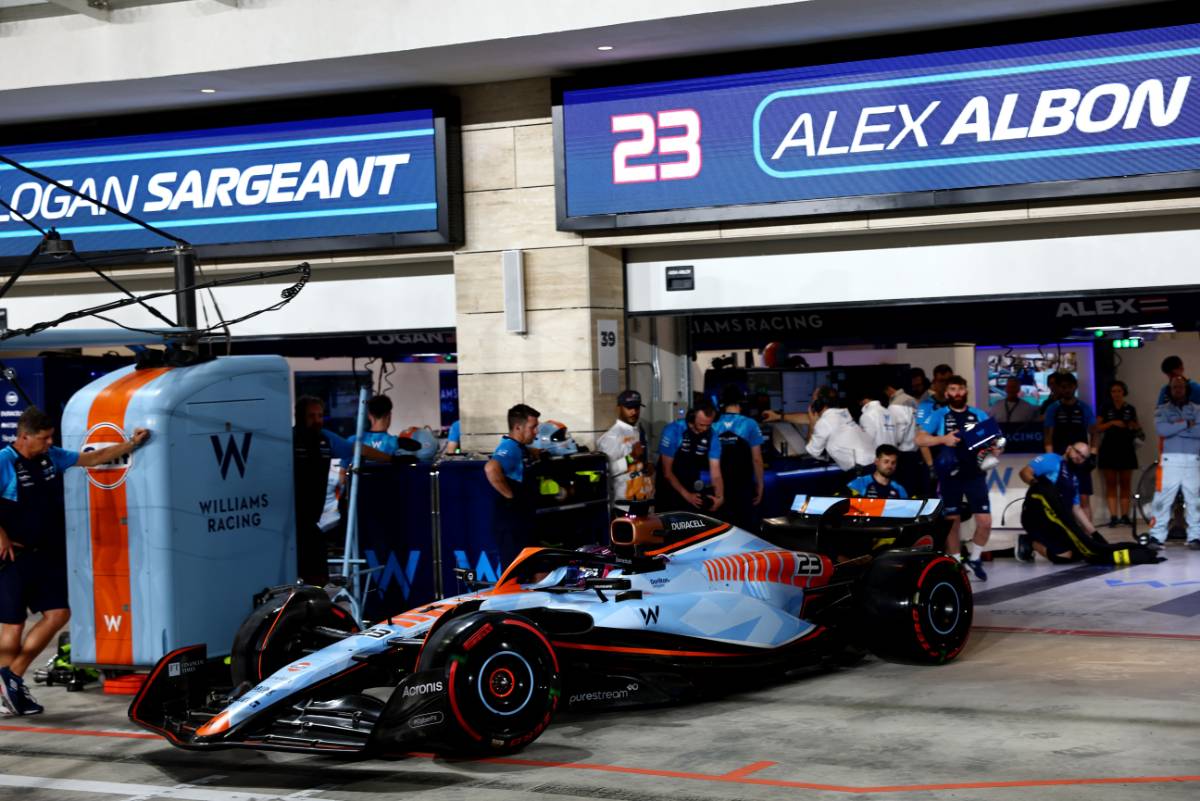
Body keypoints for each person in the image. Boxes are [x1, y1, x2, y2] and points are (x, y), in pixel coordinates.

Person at [0, 406, 149, 717]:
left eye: (51, 437)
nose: (50, 442)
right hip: (14, 557)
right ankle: (6, 690)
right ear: (24, 437)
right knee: (13, 625)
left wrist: (132, 444)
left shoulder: (51, 457)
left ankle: (10, 678)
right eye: (44, 438)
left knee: (58, 614)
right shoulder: (5, 461)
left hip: (47, 554)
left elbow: (94, 458)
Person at [293, 396, 389, 586]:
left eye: (320, 415)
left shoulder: (325, 439)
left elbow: (357, 449)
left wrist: (391, 459)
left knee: (318, 576)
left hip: (312, 521)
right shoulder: (290, 440)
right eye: (311, 416)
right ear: (299, 416)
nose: (317, 420)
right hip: (290, 523)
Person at [1018, 443, 1160, 566]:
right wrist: (1039, 485)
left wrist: (1095, 534)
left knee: (1080, 553)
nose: (1078, 457)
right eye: (1077, 452)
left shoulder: (1074, 479)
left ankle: (1039, 542)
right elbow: (1024, 472)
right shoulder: (1051, 459)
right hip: (1037, 517)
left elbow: (1076, 509)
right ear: (1069, 448)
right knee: (1063, 557)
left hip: (1058, 523)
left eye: (1083, 457)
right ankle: (1030, 541)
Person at [915, 375, 992, 580]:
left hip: (975, 474)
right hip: (949, 474)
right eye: (953, 389)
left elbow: (995, 438)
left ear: (966, 390)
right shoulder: (940, 414)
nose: (957, 393)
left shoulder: (978, 414)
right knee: (952, 520)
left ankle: (975, 559)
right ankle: (956, 563)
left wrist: (994, 452)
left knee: (985, 521)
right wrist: (943, 439)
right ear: (947, 392)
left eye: (960, 389)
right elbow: (920, 439)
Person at [484, 404, 542, 565]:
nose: (536, 432)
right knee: (517, 573)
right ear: (518, 427)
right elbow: (491, 468)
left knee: (538, 570)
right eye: (533, 427)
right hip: (512, 525)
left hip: (523, 521)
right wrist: (511, 496)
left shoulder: (519, 447)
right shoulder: (509, 447)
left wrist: (534, 452)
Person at [1147, 376, 1200, 550]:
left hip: (1193, 460)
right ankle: (1156, 537)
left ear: (1186, 389)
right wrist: (1186, 424)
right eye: (1174, 387)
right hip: (1169, 461)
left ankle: (1196, 537)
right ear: (1169, 390)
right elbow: (1162, 430)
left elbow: (1199, 431)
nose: (1178, 390)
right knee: (1162, 500)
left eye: (1181, 387)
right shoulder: (1161, 410)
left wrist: (1176, 428)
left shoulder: (1197, 409)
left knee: (1195, 501)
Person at [1043, 372, 1096, 523]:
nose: (1066, 390)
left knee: (1084, 497)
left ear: (1075, 387)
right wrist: (1050, 458)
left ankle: (1087, 534)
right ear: (1059, 388)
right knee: (1060, 497)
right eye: (1063, 387)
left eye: (1069, 387)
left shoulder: (1084, 408)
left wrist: (1093, 455)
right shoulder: (1053, 409)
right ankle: (1063, 532)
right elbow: (1048, 436)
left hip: (1081, 459)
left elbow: (1095, 433)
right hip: (1061, 458)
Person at [710, 387, 765, 531]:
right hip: (743, 486)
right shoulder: (750, 424)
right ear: (740, 403)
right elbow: (757, 459)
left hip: (721, 487)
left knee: (724, 528)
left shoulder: (714, 425)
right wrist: (760, 484)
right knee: (746, 528)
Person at [656, 402, 723, 514]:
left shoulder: (712, 435)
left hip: (692, 488)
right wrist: (687, 495)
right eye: (701, 424)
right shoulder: (673, 430)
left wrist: (719, 497)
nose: (705, 429)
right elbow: (667, 472)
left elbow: (716, 473)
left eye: (708, 425)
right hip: (668, 489)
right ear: (692, 417)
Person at [597, 389, 653, 510]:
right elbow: (606, 471)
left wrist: (649, 465)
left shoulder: (640, 431)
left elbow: (645, 461)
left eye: (636, 407)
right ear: (619, 408)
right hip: (624, 506)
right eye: (629, 407)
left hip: (645, 501)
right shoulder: (611, 437)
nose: (634, 411)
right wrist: (631, 458)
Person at [800, 386, 874, 475]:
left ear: (818, 403)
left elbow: (812, 452)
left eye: (813, 400)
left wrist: (812, 423)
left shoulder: (825, 421)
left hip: (860, 470)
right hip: (873, 463)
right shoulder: (844, 414)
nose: (812, 403)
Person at [1095, 380, 1140, 527]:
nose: (1116, 394)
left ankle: (1125, 516)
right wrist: (1112, 423)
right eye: (1113, 391)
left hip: (1126, 448)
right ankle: (1114, 516)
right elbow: (1097, 427)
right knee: (1111, 483)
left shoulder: (1130, 408)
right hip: (1109, 448)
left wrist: (1133, 425)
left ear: (1123, 392)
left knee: (1126, 483)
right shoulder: (1105, 407)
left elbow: (1137, 426)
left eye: (1119, 391)